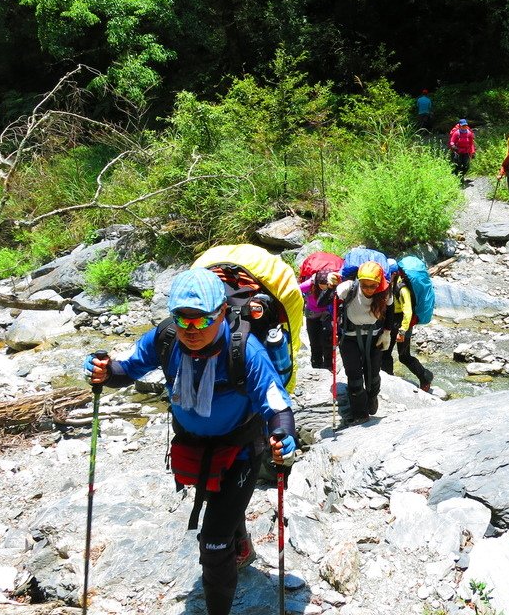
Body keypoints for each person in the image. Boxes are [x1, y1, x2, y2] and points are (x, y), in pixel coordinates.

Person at [83, 268, 297, 615]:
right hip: (194, 447)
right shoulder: (166, 339)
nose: (191, 331)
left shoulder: (247, 351)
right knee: (219, 505)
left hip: (241, 449)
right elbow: (128, 370)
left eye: (202, 321)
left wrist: (283, 436)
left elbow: (277, 406)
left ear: (223, 313)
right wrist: (105, 372)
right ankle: (239, 543)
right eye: (183, 320)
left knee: (212, 545)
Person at [327, 261, 393, 423]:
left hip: (375, 336)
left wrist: (387, 332)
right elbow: (325, 303)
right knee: (355, 376)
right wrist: (329, 286)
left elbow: (391, 312)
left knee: (373, 373)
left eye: (373, 286)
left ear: (379, 283)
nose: (369, 290)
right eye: (365, 285)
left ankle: (371, 398)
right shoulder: (348, 288)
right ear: (359, 281)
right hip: (349, 338)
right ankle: (360, 413)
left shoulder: (385, 291)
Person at [379, 259, 434, 392]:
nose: (388, 276)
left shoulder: (402, 288)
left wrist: (402, 331)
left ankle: (425, 377)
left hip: (403, 323)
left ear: (395, 273)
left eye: (390, 273)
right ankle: (389, 379)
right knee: (385, 352)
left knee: (403, 356)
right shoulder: (387, 285)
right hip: (392, 321)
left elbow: (408, 311)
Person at [299, 270, 334, 370]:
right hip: (312, 315)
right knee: (314, 341)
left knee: (327, 340)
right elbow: (296, 291)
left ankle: (328, 365)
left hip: (327, 313)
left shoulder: (332, 284)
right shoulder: (309, 284)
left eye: (325, 284)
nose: (323, 287)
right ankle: (316, 364)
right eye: (321, 284)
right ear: (316, 282)